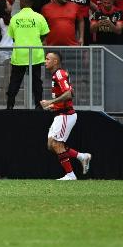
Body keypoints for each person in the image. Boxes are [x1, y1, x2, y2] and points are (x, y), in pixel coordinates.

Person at [40, 52, 91, 181]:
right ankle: (81, 156)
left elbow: (69, 94)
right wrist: (53, 106)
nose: (45, 61)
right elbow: (67, 94)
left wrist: (51, 102)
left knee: (57, 144)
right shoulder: (56, 75)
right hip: (60, 114)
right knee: (51, 145)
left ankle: (70, 175)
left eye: (48, 59)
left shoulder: (59, 74)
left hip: (66, 115)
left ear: (55, 62)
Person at [6, 0, 49, 110]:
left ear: (23, 2)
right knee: (37, 82)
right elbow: (44, 33)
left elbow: (12, 36)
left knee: (14, 82)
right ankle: (39, 106)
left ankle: (10, 106)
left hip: (19, 55)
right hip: (35, 54)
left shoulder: (15, 18)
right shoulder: (39, 17)